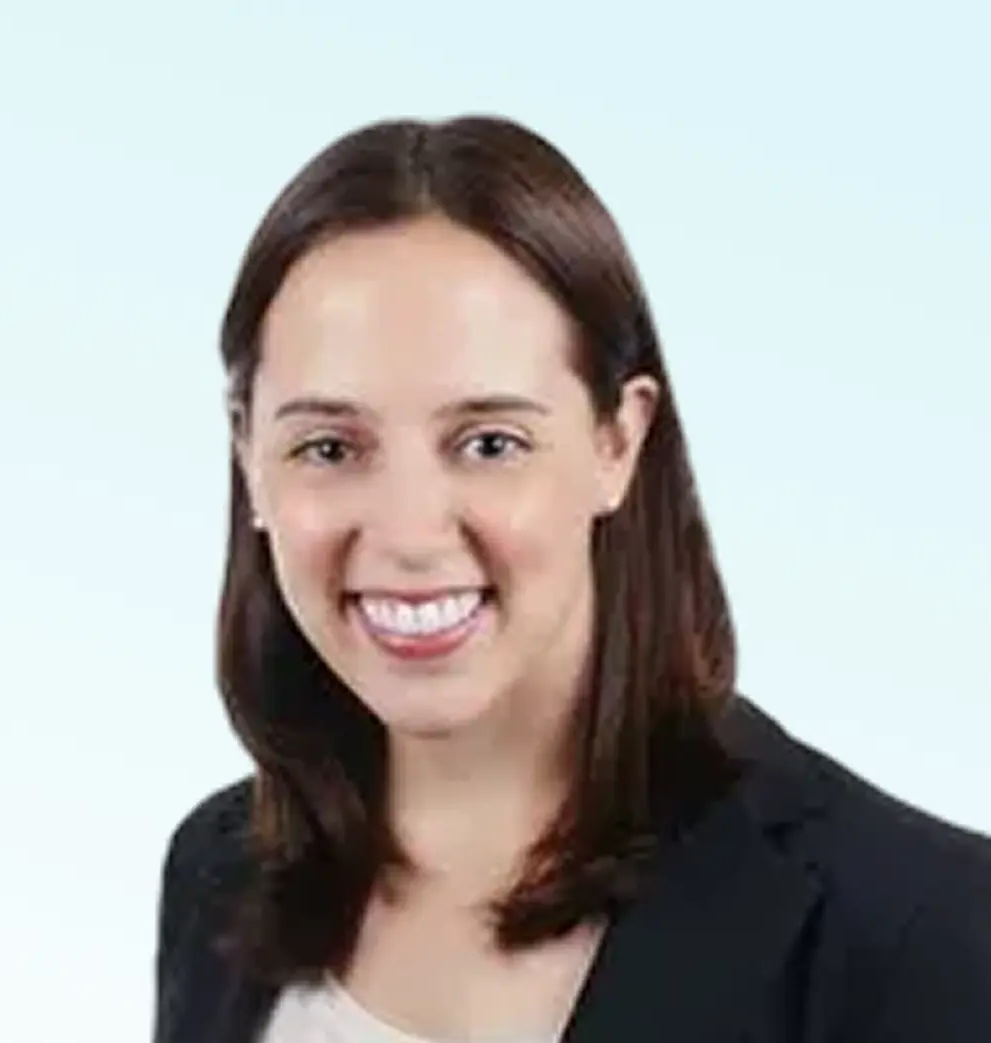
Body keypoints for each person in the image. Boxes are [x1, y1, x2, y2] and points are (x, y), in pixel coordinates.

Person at [152, 115, 991, 1043]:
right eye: (328, 446)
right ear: (248, 454)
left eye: (488, 443)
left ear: (616, 441)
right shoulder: (218, 872)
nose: (407, 531)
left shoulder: (928, 936)